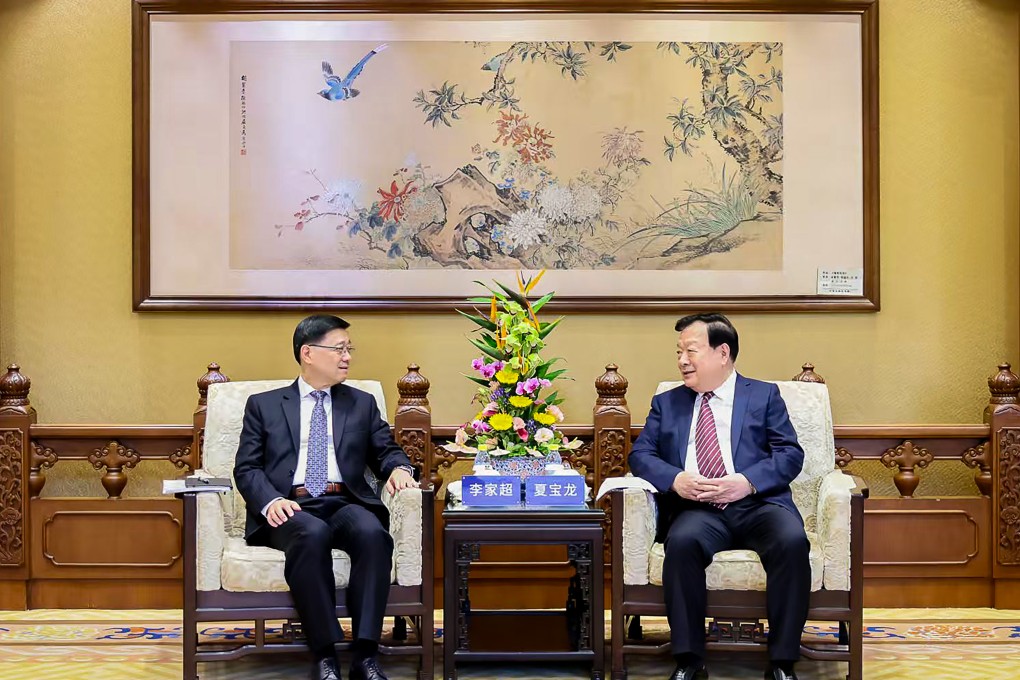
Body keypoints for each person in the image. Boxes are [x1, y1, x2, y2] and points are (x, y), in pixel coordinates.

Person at [233, 314, 417, 680]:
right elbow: (247, 468)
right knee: (310, 533)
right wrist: (271, 501)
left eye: (350, 349)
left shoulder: (361, 403)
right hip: (290, 506)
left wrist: (400, 469)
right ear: (308, 354)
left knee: (372, 534)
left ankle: (366, 656)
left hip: (344, 501)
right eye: (339, 349)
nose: (347, 356)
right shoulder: (264, 405)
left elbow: (386, 451)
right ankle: (325, 655)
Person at [628, 313, 810, 680]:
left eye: (691, 350)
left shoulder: (763, 395)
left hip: (759, 504)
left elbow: (790, 454)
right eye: (679, 351)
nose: (682, 360)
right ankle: (689, 661)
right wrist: (676, 479)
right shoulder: (668, 402)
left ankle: (782, 662)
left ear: (722, 352)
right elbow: (640, 456)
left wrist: (746, 482)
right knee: (681, 544)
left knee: (791, 541)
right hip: (699, 509)